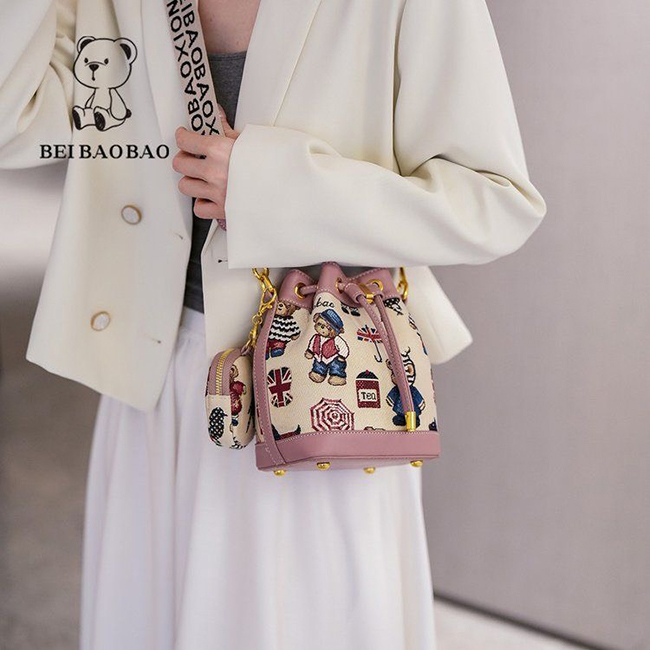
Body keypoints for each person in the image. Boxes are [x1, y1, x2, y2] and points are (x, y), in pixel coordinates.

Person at [0, 0, 546, 648]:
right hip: (155, 378)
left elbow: (495, 200)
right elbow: (14, 122)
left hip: (320, 394)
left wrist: (271, 185)